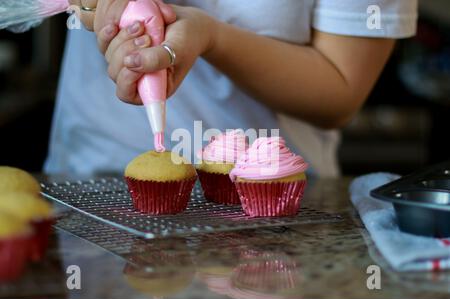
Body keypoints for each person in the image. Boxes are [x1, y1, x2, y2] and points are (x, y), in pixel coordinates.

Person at [45, 0, 418, 177]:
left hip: (269, 200)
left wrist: (213, 38)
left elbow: (340, 90)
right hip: (88, 180)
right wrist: (92, 7)